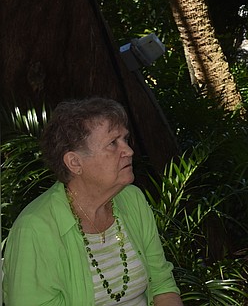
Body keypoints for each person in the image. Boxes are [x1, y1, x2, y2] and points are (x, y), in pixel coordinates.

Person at [3, 97, 183, 306]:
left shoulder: (131, 199)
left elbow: (162, 286)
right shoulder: (35, 229)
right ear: (75, 162)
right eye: (113, 143)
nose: (129, 151)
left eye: (125, 139)